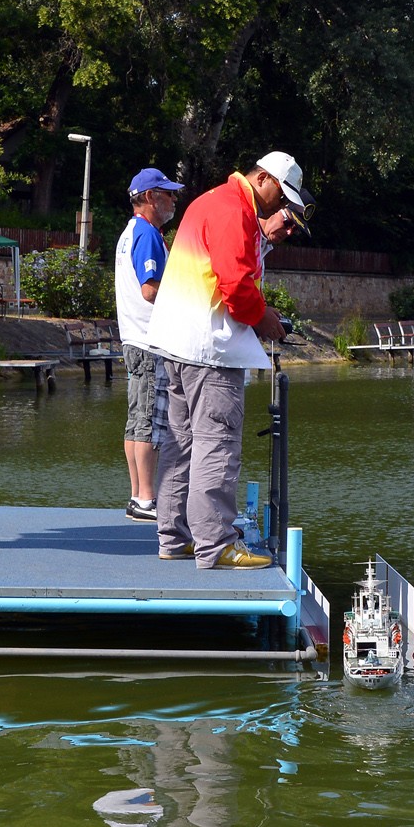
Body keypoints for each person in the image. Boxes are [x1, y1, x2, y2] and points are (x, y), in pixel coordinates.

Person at [148, 151, 306, 570]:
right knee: (216, 445)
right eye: (281, 193)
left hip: (177, 344)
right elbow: (235, 286)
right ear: (264, 177)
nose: (280, 204)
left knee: (180, 444)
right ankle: (216, 545)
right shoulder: (235, 209)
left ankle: (173, 536)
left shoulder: (211, 199)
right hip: (209, 351)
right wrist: (266, 319)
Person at [115, 166, 183, 522]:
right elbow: (150, 289)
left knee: (135, 419)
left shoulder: (130, 232)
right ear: (150, 197)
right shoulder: (147, 233)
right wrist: (185, 297)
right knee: (146, 422)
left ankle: (137, 496)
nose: (174, 199)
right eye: (168, 193)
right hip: (147, 341)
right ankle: (145, 500)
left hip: (134, 339)